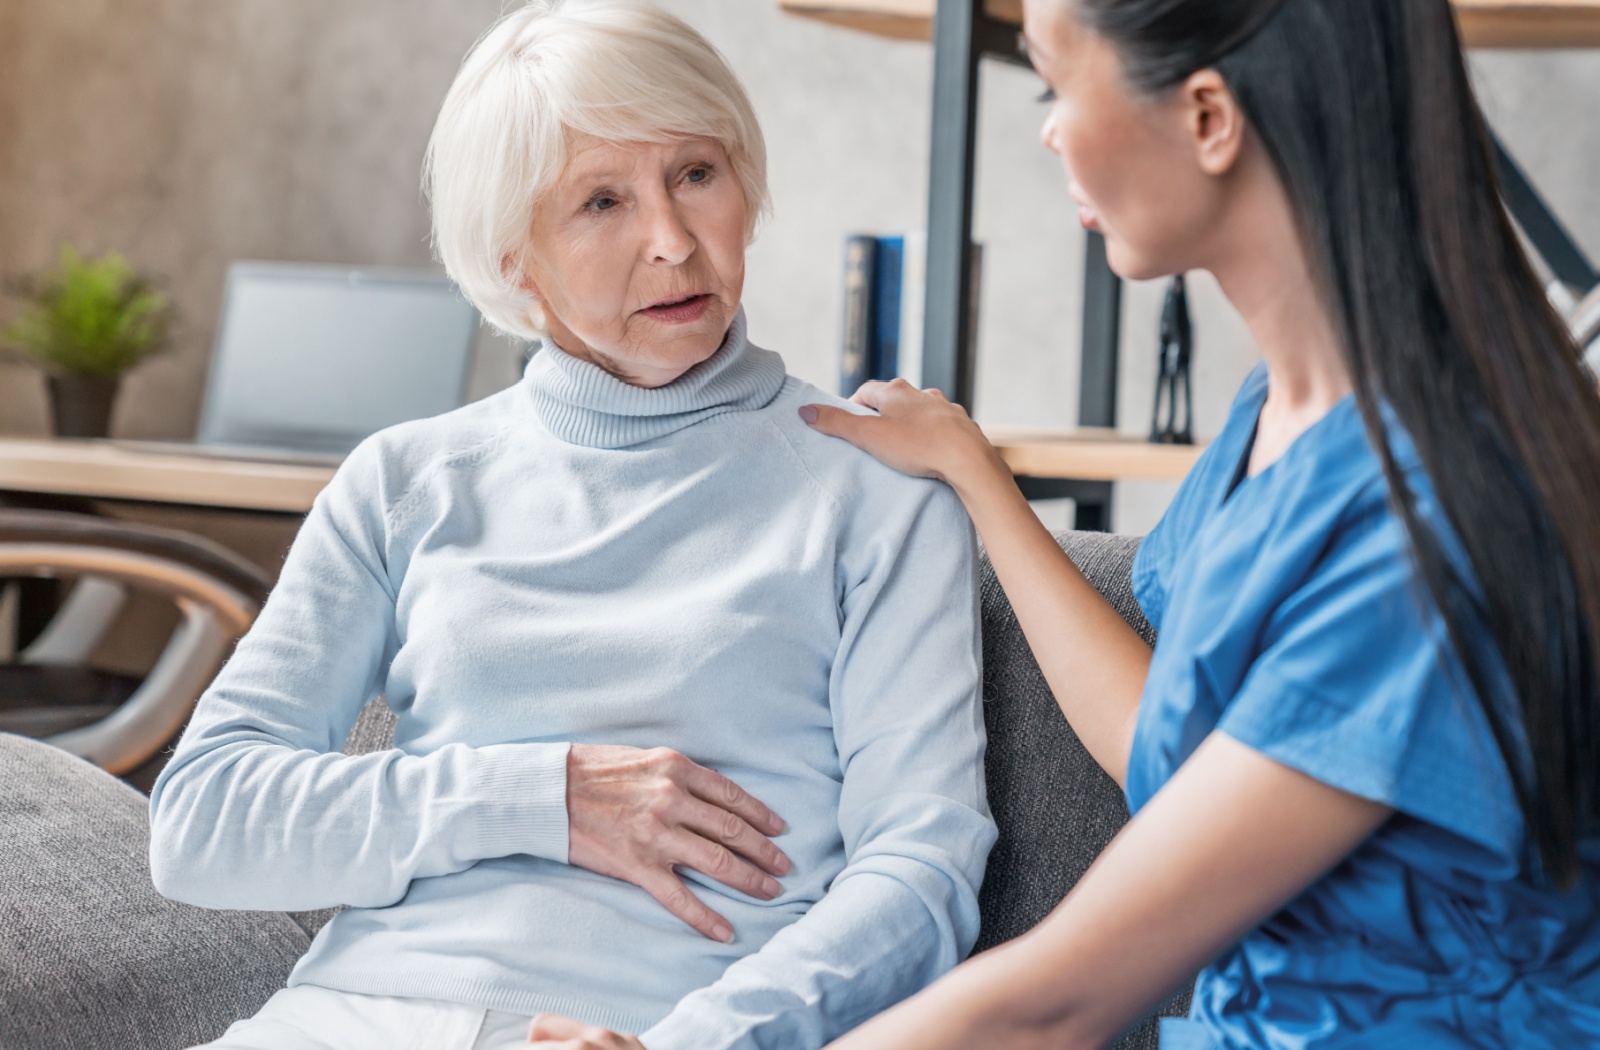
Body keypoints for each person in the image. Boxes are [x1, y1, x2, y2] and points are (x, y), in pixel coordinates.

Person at [146, 3, 995, 1049]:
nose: (674, 241)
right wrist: (536, 793)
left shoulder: (872, 486)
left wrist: (696, 1045)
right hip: (350, 1017)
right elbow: (202, 821)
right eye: (601, 199)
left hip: (651, 1028)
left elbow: (925, 868)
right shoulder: (406, 481)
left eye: (696, 173)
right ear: (514, 259)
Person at [803, 0, 1600, 1046]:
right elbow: (1175, 759)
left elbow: (1058, 1002)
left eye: (1055, 84)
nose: (1048, 130)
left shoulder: (1421, 530)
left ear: (1209, 118)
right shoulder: (1273, 420)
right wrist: (974, 474)